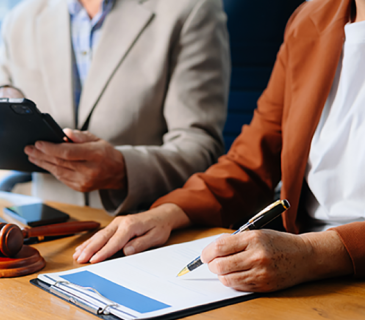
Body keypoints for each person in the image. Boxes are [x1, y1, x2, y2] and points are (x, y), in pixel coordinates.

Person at [74, 0, 365, 293]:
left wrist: (317, 253)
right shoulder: (311, 19)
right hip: (300, 267)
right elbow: (251, 160)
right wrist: (167, 213)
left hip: (325, 265)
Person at [0, 0, 230, 215]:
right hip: (46, 221)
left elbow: (201, 148)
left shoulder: (190, 9)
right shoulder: (20, 19)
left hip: (142, 224)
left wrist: (123, 170)